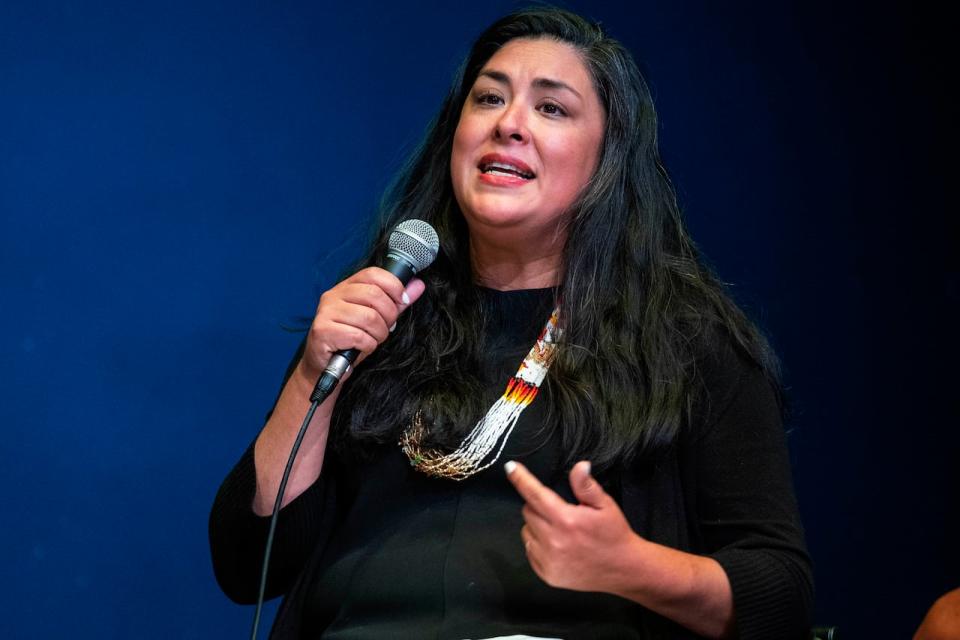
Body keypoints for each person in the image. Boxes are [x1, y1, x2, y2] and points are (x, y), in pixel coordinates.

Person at [209, 8, 813, 639]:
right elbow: (245, 566)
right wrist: (313, 372)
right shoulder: (380, 317)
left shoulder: (688, 344)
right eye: (489, 98)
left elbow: (782, 595)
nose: (509, 124)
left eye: (551, 108)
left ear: (608, 158)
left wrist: (634, 568)